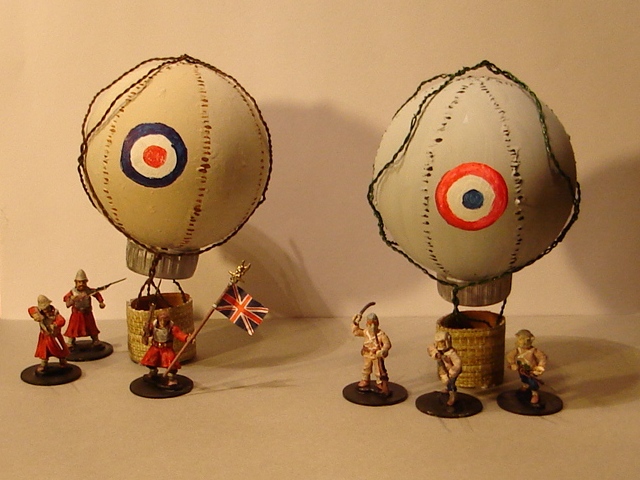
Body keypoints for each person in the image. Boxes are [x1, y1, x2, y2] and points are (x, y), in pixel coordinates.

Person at [140, 311, 191, 387]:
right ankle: (153, 372)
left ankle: (171, 379)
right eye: (161, 320)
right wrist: (146, 330)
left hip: (167, 349)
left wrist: (186, 338)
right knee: (150, 360)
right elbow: (148, 333)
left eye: (165, 320)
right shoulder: (153, 326)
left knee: (171, 364)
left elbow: (179, 334)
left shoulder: (172, 328)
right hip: (155, 347)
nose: (163, 322)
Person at [63, 269, 105, 349]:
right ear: (76, 282)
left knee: (91, 327)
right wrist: (72, 298)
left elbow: (97, 294)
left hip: (87, 313)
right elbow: (66, 298)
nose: (81, 284)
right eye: (79, 282)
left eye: (83, 282)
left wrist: (101, 302)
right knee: (73, 327)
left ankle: (95, 340)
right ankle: (70, 341)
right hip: (76, 314)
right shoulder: (73, 292)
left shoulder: (89, 291)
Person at [29, 295, 71, 374]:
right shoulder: (39, 312)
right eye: (43, 308)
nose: (45, 309)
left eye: (46, 307)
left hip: (54, 335)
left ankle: (62, 361)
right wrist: (35, 314)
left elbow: (61, 320)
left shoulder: (55, 312)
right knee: (44, 351)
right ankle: (44, 364)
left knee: (60, 349)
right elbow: (31, 309)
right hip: (44, 336)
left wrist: (55, 324)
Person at [352, 312, 391, 396]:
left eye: (374, 323)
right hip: (367, 354)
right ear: (367, 324)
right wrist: (355, 323)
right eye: (370, 324)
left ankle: (379, 382)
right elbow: (356, 332)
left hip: (376, 355)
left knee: (378, 370)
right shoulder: (366, 332)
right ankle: (365, 380)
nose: (372, 326)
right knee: (366, 367)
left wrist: (383, 351)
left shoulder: (381, 335)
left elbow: (387, 344)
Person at [506, 329, 547, 405]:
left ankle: (534, 393)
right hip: (521, 369)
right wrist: (512, 363)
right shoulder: (518, 350)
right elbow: (509, 356)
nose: (519, 341)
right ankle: (525, 385)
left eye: (521, 339)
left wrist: (539, 367)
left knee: (532, 382)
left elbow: (542, 358)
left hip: (531, 370)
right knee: (523, 378)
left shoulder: (533, 350)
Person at [428, 331, 462, 406]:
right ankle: (447, 388)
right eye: (439, 343)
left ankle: (453, 395)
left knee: (450, 383)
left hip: (452, 371)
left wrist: (452, 371)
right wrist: (436, 354)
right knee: (445, 379)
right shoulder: (438, 350)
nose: (440, 345)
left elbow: (458, 363)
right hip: (443, 368)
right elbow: (431, 349)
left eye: (442, 343)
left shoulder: (451, 353)